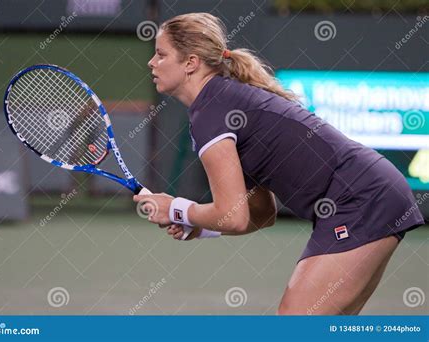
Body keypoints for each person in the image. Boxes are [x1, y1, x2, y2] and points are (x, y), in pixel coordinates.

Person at [133, 13, 425, 315]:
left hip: (360, 198)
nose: (152, 63)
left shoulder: (211, 111)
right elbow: (259, 214)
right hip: (372, 192)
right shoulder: (221, 103)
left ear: (191, 62)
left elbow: (232, 217)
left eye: (161, 54)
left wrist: (176, 209)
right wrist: (197, 224)